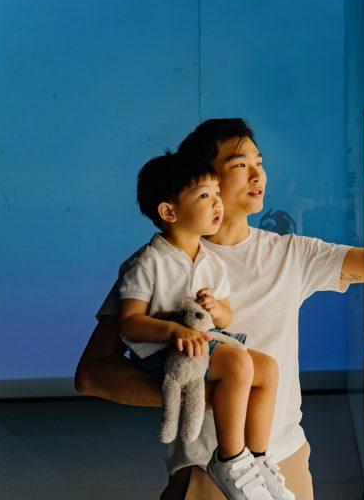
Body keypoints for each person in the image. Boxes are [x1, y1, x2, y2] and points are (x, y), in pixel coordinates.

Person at [75, 118, 364, 500]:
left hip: (281, 461)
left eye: (260, 162)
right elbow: (92, 375)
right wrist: (205, 394)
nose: (259, 174)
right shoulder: (161, 262)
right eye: (241, 165)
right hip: (201, 468)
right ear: (204, 176)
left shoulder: (292, 253)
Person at [117, 153, 287, 500]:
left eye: (217, 194)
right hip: (164, 352)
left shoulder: (210, 262)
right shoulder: (148, 262)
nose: (217, 203)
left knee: (267, 368)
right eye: (204, 196)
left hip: (203, 342)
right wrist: (172, 331)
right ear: (169, 212)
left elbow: (225, 317)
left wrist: (217, 310)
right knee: (239, 363)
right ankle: (230, 459)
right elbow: (130, 324)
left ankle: (256, 460)